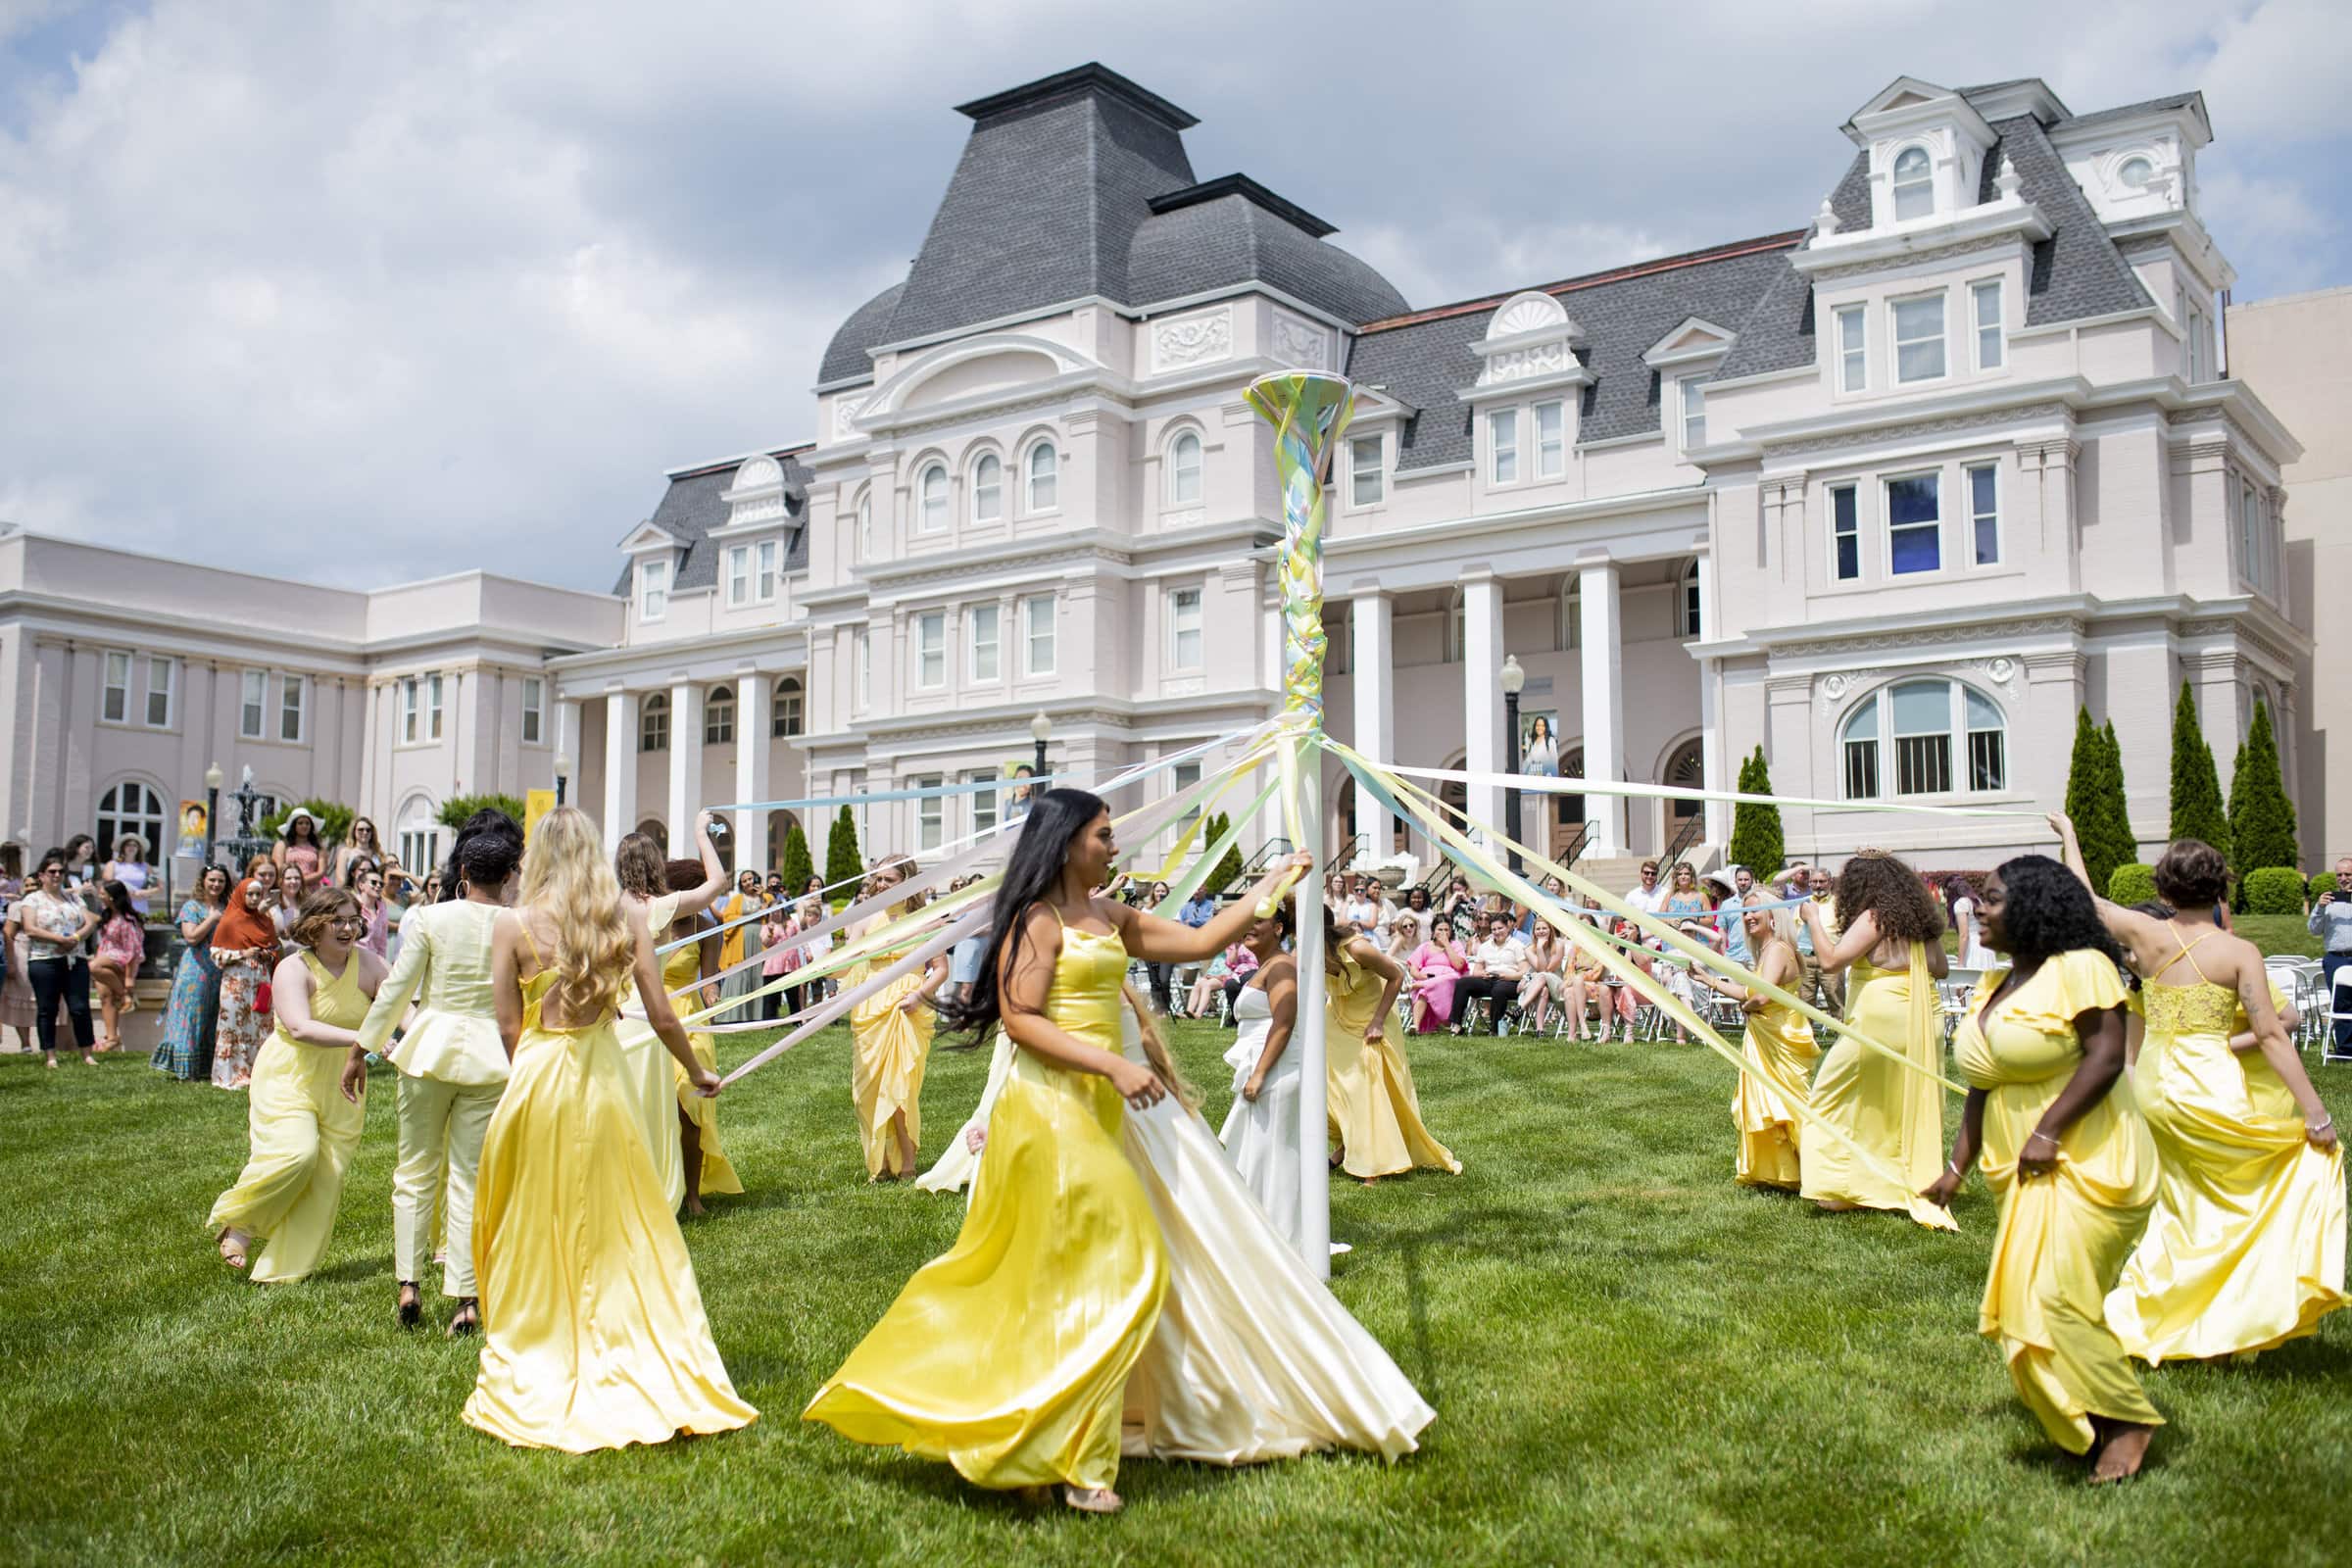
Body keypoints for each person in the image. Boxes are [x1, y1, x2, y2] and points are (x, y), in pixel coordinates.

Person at [806, 790, 1314, 1513]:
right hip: (1048, 1112)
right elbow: (1019, 1019)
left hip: (1099, 1112)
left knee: (1070, 1280)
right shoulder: (1037, 922)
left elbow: (1200, 942)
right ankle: (1083, 1465)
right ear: (1068, 841)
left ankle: (1050, 1443)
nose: (1114, 846)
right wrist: (1112, 1064)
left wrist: (1272, 886)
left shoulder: (1108, 917)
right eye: (1105, 834)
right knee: (1124, 1262)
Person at [464, 806, 755, 1451]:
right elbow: (661, 1011)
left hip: (537, 1077)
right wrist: (695, 1073)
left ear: (536, 855)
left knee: (539, 1215)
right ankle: (621, 1333)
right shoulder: (625, 916)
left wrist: (530, 1075)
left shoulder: (511, 924)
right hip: (601, 1077)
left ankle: (544, 1330)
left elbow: (510, 1028)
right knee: (619, 1213)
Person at [2049, 818, 2346, 1364]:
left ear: (2163, 891)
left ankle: (2164, 1310)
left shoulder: (2145, 935)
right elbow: (2272, 1034)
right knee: (2241, 1197)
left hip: (2158, 1085)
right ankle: (2219, 1322)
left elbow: (2083, 898)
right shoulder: (2238, 953)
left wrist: (2071, 833)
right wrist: (2317, 1113)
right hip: (2208, 1081)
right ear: (2220, 890)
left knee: (2184, 1199)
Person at [1923, 855, 2162, 1483]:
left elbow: (2107, 1055)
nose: (1979, 907)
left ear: (2033, 906)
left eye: (1994, 899)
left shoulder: (2080, 969)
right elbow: (1983, 1082)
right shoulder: (1992, 985)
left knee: (2056, 1297)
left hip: (2090, 1158)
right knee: (2024, 1304)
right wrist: (1956, 1169)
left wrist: (2048, 1131)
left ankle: (2127, 1418)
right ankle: (2077, 1418)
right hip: (2023, 1172)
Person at [351, 818, 523, 1336]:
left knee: (415, 1170)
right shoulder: (518, 924)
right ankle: (467, 1298)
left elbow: (397, 988)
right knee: (471, 1177)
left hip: (431, 1046)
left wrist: (361, 1047)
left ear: (464, 872)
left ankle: (409, 1282)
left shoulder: (427, 918)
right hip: (489, 1055)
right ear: (509, 876)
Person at [207, 889, 386, 1281]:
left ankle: (282, 1270)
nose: (347, 928)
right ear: (314, 924)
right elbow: (300, 1027)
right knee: (297, 1154)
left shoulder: (370, 964)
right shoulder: (294, 967)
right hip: (290, 1076)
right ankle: (240, 1221)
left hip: (341, 1082)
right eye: (336, 919)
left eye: (353, 919)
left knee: (326, 1176)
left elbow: (402, 1006)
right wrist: (364, 1038)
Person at [1798, 851, 1954, 1229]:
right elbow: (1942, 969)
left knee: (1829, 1095)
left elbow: (1833, 961)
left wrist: (1813, 920)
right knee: (1896, 1103)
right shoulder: (1917, 920)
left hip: (1882, 1016)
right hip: (1923, 1014)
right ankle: (1880, 1184)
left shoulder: (1874, 916)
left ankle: (1839, 1187)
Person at [612, 812, 730, 1210]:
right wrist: (700, 831)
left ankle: (622, 1198)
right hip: (650, 1019)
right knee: (655, 1111)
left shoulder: (605, 910)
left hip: (613, 1020)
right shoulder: (657, 909)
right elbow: (718, 884)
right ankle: (656, 1201)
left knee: (621, 1112)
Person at [1327, 899, 1457, 1184]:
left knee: (1367, 1088)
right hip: (1336, 1020)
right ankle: (1347, 1146)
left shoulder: (1357, 948)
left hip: (1374, 1017)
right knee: (1335, 1089)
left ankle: (1372, 1166)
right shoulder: (1306, 952)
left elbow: (1396, 976)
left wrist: (1377, 1022)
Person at [1693, 894, 1816, 1189]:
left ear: (1773, 916)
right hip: (1766, 1035)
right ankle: (1785, 1172)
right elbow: (1752, 992)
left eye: (1754, 911)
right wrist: (1708, 980)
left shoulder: (1777, 949)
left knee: (1788, 1104)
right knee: (1772, 1103)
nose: (1748, 917)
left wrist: (1746, 1008)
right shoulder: (1768, 950)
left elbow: (1761, 996)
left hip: (1779, 1036)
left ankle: (1818, 1169)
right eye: (1746, 912)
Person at [846, 857, 949, 1180]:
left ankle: (907, 1162)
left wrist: (919, 995)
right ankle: (879, 1164)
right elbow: (847, 964)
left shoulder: (926, 920)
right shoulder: (864, 921)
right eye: (878, 879)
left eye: (889, 880)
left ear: (908, 882)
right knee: (867, 1090)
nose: (881, 885)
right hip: (871, 1007)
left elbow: (941, 969)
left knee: (901, 1088)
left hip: (908, 1008)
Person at [1217, 899, 1303, 1244]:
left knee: (1275, 1154)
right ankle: (1259, 1233)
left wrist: (1259, 1073)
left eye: (1259, 921)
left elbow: (1283, 1023)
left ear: (1278, 928)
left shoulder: (1281, 966)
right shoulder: (1268, 966)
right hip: (1266, 1065)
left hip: (1277, 1069)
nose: (1249, 927)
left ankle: (1284, 1238)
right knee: (1259, 1151)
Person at [662, 858, 742, 1213]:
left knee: (689, 1108)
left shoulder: (706, 928)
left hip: (689, 1022)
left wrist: (715, 1000)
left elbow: (709, 984)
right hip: (646, 1016)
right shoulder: (649, 921)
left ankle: (693, 1196)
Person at [5, 849, 101, 1067]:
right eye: (51, 872)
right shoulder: (32, 900)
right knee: (48, 1008)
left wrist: (75, 937)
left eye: (60, 871)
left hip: (75, 959)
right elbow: (30, 929)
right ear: (42, 875)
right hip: (44, 960)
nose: (56, 875)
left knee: (79, 1007)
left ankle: (87, 1053)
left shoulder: (73, 898)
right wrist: (59, 939)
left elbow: (90, 922)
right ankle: (50, 1055)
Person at [153, 865, 230, 1081]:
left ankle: (206, 1067)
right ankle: (186, 1071)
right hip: (196, 970)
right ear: (203, 881)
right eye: (212, 880)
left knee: (212, 1016)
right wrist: (212, 919)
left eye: (220, 881)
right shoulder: (192, 907)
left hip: (218, 970)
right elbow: (192, 937)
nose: (216, 885)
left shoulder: (227, 907)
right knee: (192, 1016)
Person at [210, 867, 280, 1090]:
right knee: (234, 1025)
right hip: (236, 980)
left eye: (257, 895)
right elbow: (216, 954)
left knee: (259, 1025)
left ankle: (257, 1072)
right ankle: (230, 1074)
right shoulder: (230, 921)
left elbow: (274, 948)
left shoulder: (264, 922)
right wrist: (241, 954)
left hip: (259, 979)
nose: (253, 899)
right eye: (249, 894)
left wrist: (266, 954)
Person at [89, 879, 145, 1053]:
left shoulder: (128, 920)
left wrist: (129, 979)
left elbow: (133, 950)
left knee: (93, 966)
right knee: (105, 997)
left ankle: (125, 995)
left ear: (112, 896)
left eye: (103, 893)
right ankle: (112, 1037)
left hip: (120, 961)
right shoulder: (107, 915)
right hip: (107, 959)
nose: (100, 896)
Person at [1448, 911, 1526, 1034]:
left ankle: (1495, 1030)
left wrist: (1508, 976)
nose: (1496, 932)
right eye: (1493, 929)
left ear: (1508, 928)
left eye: (1500, 928)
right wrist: (1483, 974)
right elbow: (1476, 970)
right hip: (1489, 979)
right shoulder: (1485, 946)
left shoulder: (1517, 945)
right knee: (1463, 983)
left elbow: (1524, 972)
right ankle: (1456, 1025)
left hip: (1510, 981)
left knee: (1499, 989)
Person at [2312, 855, 2352, 1060]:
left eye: (2348, 874)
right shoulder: (2328, 901)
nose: (2344, 878)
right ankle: (2345, 1050)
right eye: (2340, 875)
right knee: (2341, 1004)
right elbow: (2314, 930)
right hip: (2336, 958)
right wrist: (2319, 907)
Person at [1404, 923, 1466, 1034]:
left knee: (1447, 978)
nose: (1443, 933)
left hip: (1448, 982)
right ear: (1433, 931)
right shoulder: (1425, 946)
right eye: (1440, 929)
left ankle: (1418, 985)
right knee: (1424, 991)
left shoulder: (1455, 945)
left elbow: (1459, 965)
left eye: (1446, 929)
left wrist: (1447, 945)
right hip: (1426, 979)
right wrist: (1420, 976)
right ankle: (1416, 1027)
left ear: (1450, 931)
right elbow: (1413, 969)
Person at [1514, 919, 1568, 1034]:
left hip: (1556, 983)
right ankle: (1540, 1029)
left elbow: (1546, 970)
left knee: (1543, 976)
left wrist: (1539, 949)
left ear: (1550, 930)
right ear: (1533, 932)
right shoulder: (1528, 949)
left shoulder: (1559, 945)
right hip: (1537, 984)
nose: (1541, 931)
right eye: (1538, 929)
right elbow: (1540, 970)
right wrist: (1538, 948)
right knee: (1543, 990)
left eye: (1544, 928)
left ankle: (1521, 1007)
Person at [330, 815, 402, 893]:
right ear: (354, 831)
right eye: (361, 830)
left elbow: (385, 877)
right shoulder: (346, 852)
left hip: (375, 894)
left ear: (372, 833)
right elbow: (341, 879)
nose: (365, 832)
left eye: (368, 830)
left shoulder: (378, 854)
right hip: (352, 893)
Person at [102, 833, 154, 917]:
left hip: (140, 907)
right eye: (128, 845)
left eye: (135, 845)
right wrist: (127, 894)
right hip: (118, 906)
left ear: (139, 849)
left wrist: (144, 893)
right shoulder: (112, 864)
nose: (131, 847)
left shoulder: (146, 867)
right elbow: (108, 886)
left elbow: (155, 887)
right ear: (123, 848)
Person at [272, 808, 327, 886]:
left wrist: (300, 882)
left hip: (312, 890)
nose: (304, 826)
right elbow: (279, 869)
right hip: (289, 887)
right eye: (300, 823)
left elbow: (321, 872)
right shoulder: (282, 845)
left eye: (307, 823)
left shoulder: (318, 846)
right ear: (293, 826)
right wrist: (293, 882)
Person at [1949, 875, 1993, 969]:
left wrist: (1960, 962)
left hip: (1973, 949)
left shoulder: (1961, 903)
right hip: (1986, 947)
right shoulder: (1977, 901)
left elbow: (1964, 935)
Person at [273, 861, 312, 941]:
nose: (293, 881)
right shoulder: (273, 904)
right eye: (288, 878)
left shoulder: (308, 903)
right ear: (280, 881)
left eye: (297, 878)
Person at [1523, 714, 1560, 778]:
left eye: (1542, 726)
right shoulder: (1532, 740)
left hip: (1546, 775)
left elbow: (1554, 760)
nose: (1540, 728)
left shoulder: (1550, 740)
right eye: (1538, 725)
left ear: (1546, 727)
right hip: (1533, 775)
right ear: (1535, 726)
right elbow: (1529, 759)